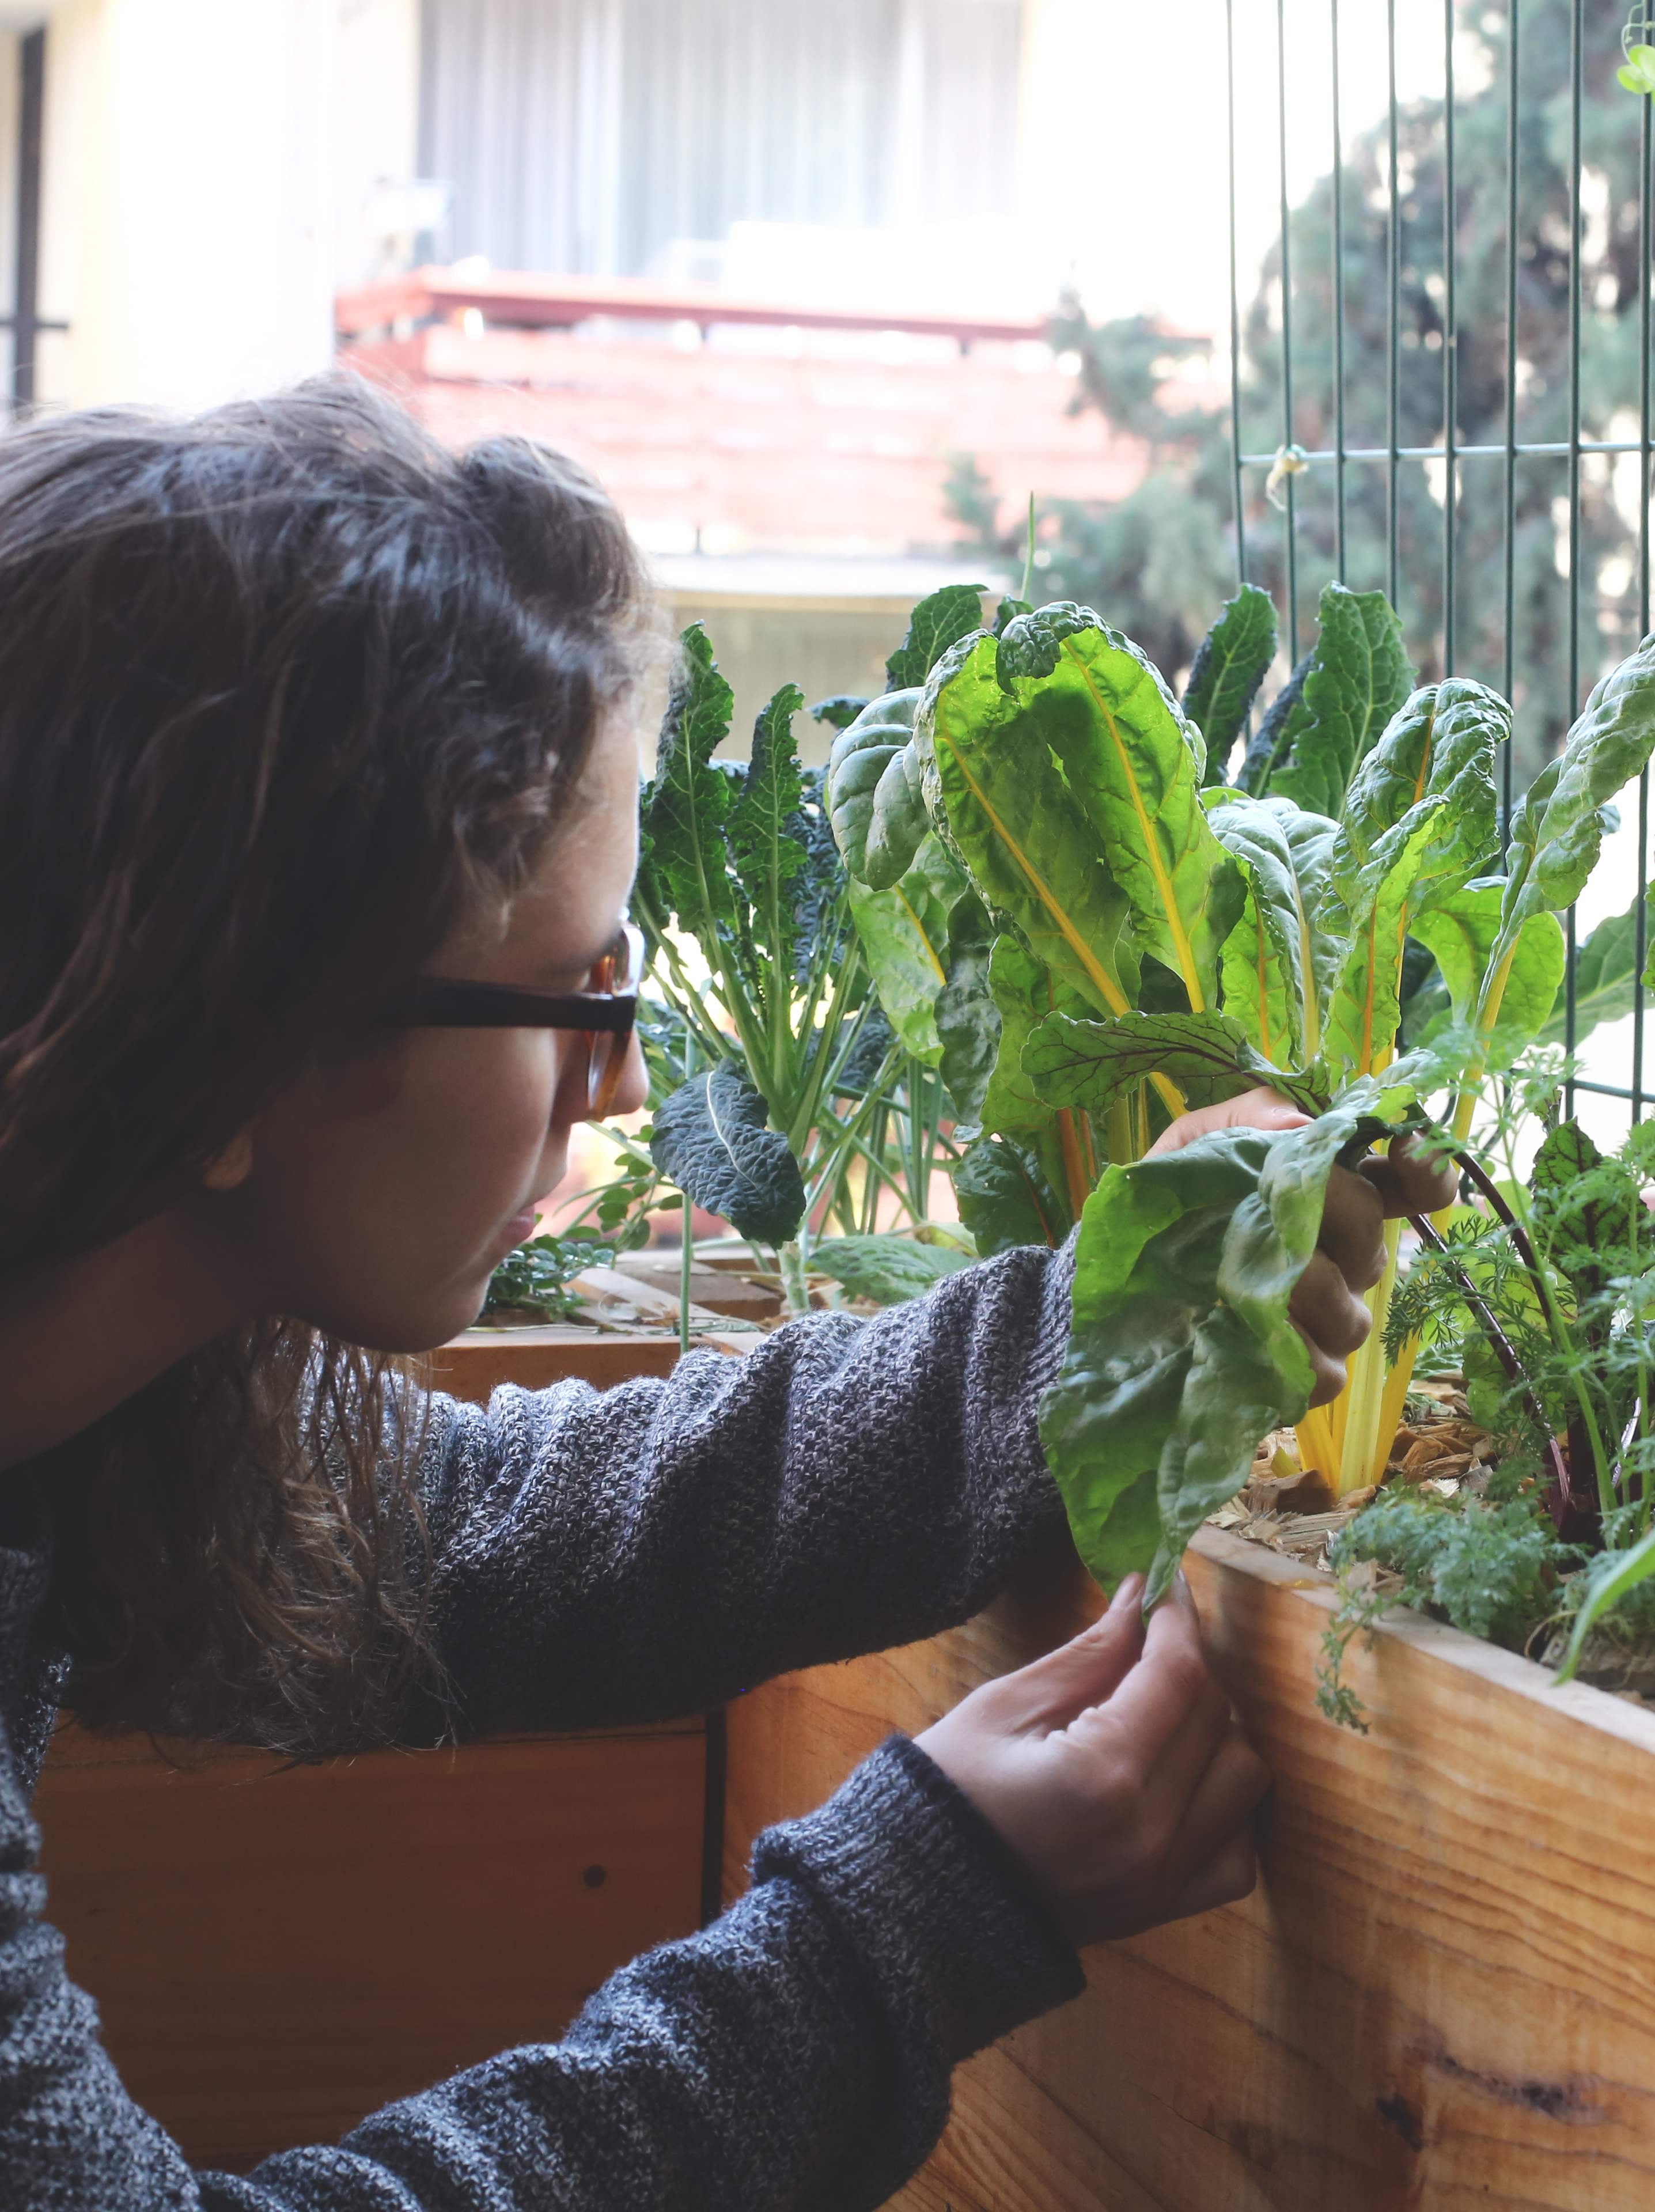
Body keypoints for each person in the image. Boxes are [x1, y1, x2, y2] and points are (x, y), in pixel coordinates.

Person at [0, 381, 1453, 2211]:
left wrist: (1082, 1338)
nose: (624, 1084)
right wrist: (911, 1916)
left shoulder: (99, 1385)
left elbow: (465, 1535)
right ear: (233, 1041)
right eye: (578, 996)